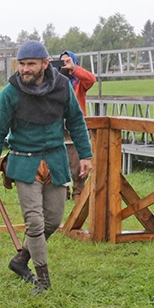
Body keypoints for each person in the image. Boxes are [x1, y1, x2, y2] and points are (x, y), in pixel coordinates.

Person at [0, 41, 92, 295]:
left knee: (52, 221)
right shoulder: (9, 93)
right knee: (34, 223)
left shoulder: (62, 86)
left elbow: (76, 121)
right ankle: (42, 280)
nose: (25, 69)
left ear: (45, 63)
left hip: (55, 160)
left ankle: (21, 261)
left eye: (31, 63)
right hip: (24, 161)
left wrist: (85, 155)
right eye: (21, 64)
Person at [58, 50, 96, 201]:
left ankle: (78, 192)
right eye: (62, 62)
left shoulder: (79, 83)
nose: (64, 65)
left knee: (77, 161)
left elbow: (91, 79)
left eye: (67, 61)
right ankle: (62, 192)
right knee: (60, 160)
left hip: (75, 127)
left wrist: (74, 69)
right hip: (59, 127)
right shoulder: (54, 82)